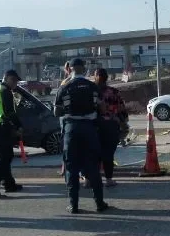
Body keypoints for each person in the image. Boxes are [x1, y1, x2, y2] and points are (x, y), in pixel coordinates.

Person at [54, 58, 110, 214]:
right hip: (89, 129)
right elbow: (102, 107)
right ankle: (99, 203)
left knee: (71, 167)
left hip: (71, 129)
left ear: (70, 69)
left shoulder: (64, 87)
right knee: (93, 166)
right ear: (84, 69)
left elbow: (56, 111)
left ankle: (74, 205)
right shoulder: (92, 86)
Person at [0, 69, 25, 198]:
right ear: (7, 79)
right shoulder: (5, 91)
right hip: (1, 129)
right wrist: (19, 126)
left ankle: (9, 184)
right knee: (5, 158)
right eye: (14, 81)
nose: (15, 84)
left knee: (4, 157)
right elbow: (10, 112)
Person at [90, 68, 129, 188]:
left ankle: (89, 179)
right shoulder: (114, 92)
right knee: (108, 154)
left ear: (95, 77)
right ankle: (108, 179)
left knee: (92, 154)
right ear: (107, 78)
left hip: (93, 126)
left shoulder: (91, 93)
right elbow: (123, 112)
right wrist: (124, 126)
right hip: (111, 126)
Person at [58, 61, 72, 176]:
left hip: (67, 118)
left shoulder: (65, 83)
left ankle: (65, 169)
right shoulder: (84, 81)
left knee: (66, 145)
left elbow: (58, 104)